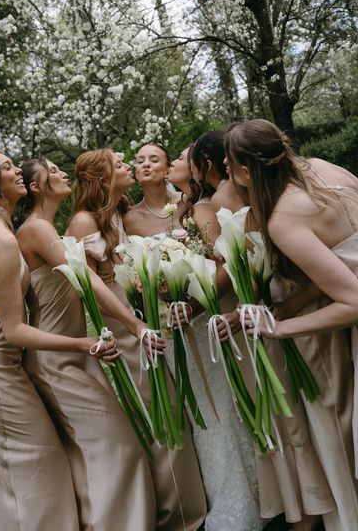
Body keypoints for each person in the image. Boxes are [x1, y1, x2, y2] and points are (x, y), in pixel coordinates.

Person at [226, 119, 358, 523]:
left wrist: (276, 329)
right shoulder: (322, 166)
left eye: (229, 165)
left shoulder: (281, 217)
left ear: (244, 171)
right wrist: (295, 304)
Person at [0, 151, 115, 531]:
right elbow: (14, 331)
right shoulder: (0, 239)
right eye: (6, 168)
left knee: (23, 460)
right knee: (42, 459)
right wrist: (82, 343)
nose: (17, 171)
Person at [192, 131, 339, 530]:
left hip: (267, 302)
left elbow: (241, 257)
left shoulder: (226, 198)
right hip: (276, 299)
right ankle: (315, 503)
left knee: (289, 409)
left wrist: (238, 309)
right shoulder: (261, 187)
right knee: (297, 407)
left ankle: (308, 509)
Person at [67, 148, 207, 531]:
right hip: (127, 330)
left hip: (143, 320)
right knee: (162, 420)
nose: (130, 166)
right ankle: (180, 518)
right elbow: (89, 287)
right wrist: (132, 325)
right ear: (101, 177)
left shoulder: (115, 214)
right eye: (120, 164)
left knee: (172, 415)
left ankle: (188, 509)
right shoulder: (82, 221)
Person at [16, 157, 156, 530]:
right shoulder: (34, 230)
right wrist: (133, 324)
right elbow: (86, 280)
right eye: (54, 171)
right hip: (55, 360)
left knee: (105, 449)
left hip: (80, 352)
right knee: (115, 448)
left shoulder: (49, 227)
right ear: (35, 187)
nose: (64, 174)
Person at [166, 145, 263, 531]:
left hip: (214, 310)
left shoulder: (206, 207)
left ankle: (248, 495)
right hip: (194, 316)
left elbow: (219, 260)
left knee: (226, 403)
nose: (174, 162)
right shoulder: (186, 208)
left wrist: (194, 303)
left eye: (180, 158)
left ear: (198, 169)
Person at [123, 143, 183, 236]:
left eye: (154, 160)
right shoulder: (132, 219)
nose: (146, 164)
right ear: (136, 174)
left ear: (168, 170)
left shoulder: (186, 201)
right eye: (140, 162)